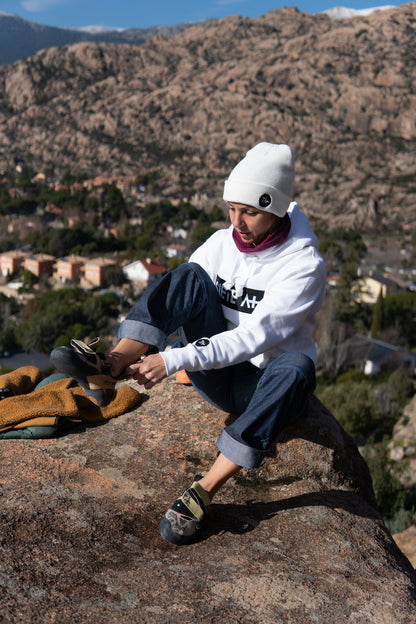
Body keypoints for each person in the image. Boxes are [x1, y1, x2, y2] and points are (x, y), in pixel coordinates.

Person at [51, 142, 326, 545]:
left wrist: (173, 359)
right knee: (189, 276)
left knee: (298, 368)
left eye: (250, 211)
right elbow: (184, 295)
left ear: (278, 208)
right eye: (232, 208)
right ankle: (110, 368)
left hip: (262, 388)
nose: (238, 222)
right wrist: (170, 357)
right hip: (214, 373)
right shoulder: (221, 242)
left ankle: (204, 489)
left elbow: (255, 338)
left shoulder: (303, 266)